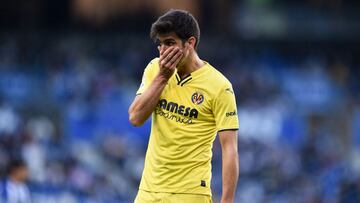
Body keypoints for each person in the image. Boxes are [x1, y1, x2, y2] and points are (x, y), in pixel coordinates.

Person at [129, 9, 239, 203]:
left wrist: (227, 200)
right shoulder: (155, 69)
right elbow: (135, 118)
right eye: (161, 44)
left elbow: (229, 148)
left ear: (190, 43)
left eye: (170, 43)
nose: (163, 51)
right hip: (149, 190)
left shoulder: (220, 86)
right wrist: (163, 77)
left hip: (190, 193)